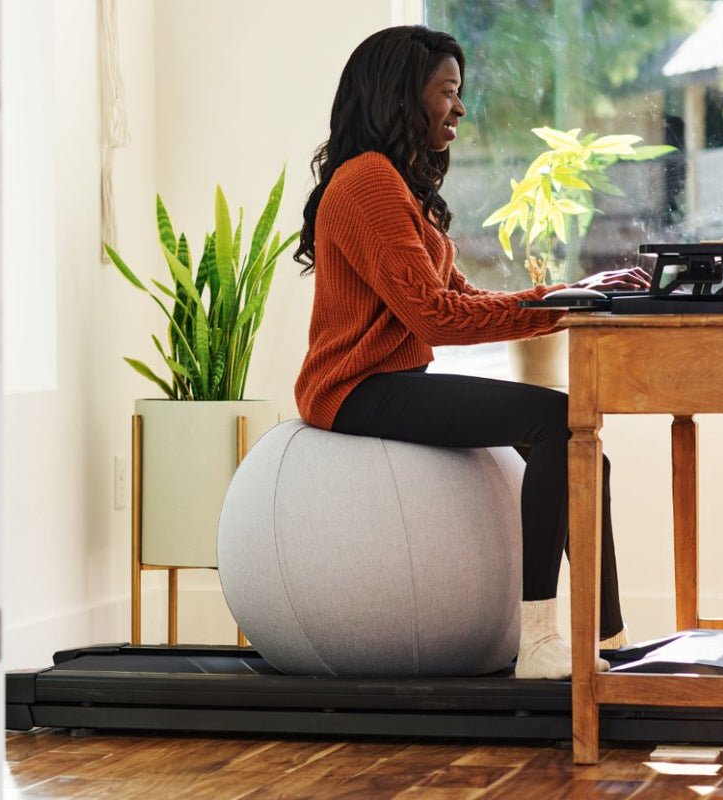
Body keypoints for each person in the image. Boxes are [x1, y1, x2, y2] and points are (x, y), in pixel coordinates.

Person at [292, 25, 648, 680]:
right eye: (447, 92)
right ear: (403, 96)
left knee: (580, 445)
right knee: (556, 421)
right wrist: (560, 303)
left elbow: (457, 295)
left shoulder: (395, 186)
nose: (460, 108)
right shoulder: (367, 182)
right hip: (354, 389)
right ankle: (543, 643)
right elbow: (437, 317)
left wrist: (568, 294)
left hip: (387, 381)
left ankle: (611, 640)